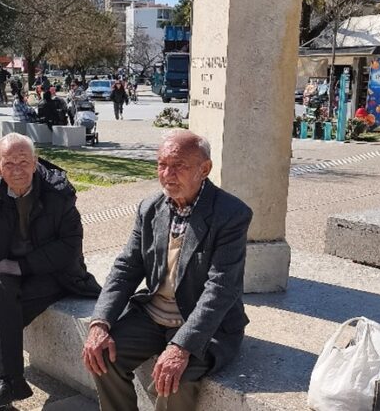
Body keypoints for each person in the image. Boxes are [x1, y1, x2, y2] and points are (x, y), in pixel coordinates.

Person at [82, 130, 253, 411]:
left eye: (179, 166)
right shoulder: (150, 208)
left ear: (205, 169)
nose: (167, 174)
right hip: (153, 315)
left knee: (175, 380)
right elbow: (126, 268)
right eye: (162, 164)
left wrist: (181, 346)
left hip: (205, 326)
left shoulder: (231, 214)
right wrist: (100, 322)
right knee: (102, 357)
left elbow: (221, 289)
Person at [0, 133, 101, 410]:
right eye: (8, 163)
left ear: (35, 163)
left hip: (56, 275)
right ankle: (7, 384)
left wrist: (21, 265)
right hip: (9, 274)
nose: (17, 169)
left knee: (1, 319)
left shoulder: (58, 192)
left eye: (23, 161)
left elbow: (69, 247)